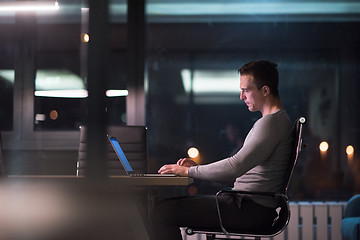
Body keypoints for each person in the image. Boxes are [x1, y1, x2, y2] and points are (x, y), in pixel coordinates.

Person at [150, 60, 293, 240]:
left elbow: (235, 166)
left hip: (249, 209)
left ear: (265, 90)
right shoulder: (276, 121)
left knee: (163, 212)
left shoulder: (271, 123)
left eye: (246, 90)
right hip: (248, 205)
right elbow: (239, 171)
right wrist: (196, 168)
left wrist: (189, 171)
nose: (242, 96)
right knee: (163, 208)